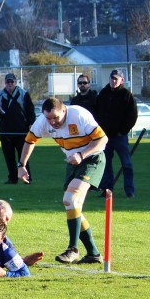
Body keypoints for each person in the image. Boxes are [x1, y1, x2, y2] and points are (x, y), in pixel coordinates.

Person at [18, 97, 108, 265]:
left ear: (64, 111)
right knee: (73, 206)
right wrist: (21, 165)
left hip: (92, 159)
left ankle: (72, 249)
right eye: (48, 118)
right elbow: (30, 140)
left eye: (56, 118)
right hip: (72, 162)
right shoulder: (42, 122)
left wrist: (81, 155)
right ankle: (93, 254)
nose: (52, 122)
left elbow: (102, 139)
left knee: (70, 200)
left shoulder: (79, 115)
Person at [94, 69, 138, 198]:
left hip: (119, 136)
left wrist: (122, 131)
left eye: (116, 79)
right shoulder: (103, 94)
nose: (113, 81)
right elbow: (96, 112)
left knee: (126, 163)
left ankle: (129, 190)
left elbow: (132, 116)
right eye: (112, 78)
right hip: (104, 136)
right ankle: (107, 189)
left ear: (122, 80)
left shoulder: (127, 95)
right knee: (105, 163)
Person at [0, 73, 36, 184]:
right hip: (5, 131)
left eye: (12, 82)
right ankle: (12, 178)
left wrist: (31, 124)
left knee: (23, 156)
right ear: (5, 83)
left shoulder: (23, 94)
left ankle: (26, 177)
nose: (9, 84)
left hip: (21, 131)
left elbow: (30, 111)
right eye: (7, 82)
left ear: (15, 82)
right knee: (8, 156)